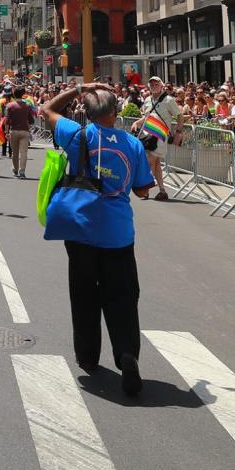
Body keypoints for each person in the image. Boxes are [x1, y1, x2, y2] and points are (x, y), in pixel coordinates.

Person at [41, 83, 153, 395]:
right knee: (123, 296)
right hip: (118, 234)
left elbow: (47, 109)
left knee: (84, 294)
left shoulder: (77, 135)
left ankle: (88, 357)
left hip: (81, 229)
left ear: (85, 113)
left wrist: (80, 87)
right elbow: (143, 190)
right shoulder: (132, 144)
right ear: (116, 112)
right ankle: (127, 353)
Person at [131, 75, 183, 202]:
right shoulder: (147, 99)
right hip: (147, 134)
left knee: (150, 161)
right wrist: (137, 122)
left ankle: (145, 189)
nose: (154, 86)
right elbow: (147, 117)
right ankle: (162, 190)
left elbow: (180, 116)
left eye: (156, 84)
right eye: (152, 84)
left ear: (161, 85)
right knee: (156, 163)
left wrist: (178, 132)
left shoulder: (169, 100)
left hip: (160, 134)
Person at [4, 85, 36, 178]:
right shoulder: (28, 105)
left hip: (13, 130)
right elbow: (31, 120)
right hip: (24, 130)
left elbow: (7, 121)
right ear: (23, 94)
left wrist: (6, 132)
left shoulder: (9, 106)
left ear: (14, 94)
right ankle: (22, 171)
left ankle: (15, 169)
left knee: (14, 152)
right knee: (24, 152)